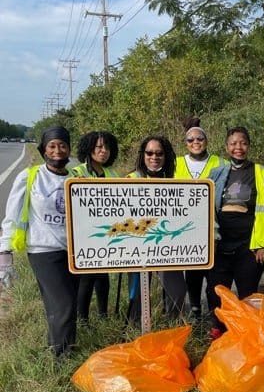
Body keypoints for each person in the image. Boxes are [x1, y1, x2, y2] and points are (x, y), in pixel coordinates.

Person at [0, 126, 78, 359]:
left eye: (62, 145)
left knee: (63, 303)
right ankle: (62, 357)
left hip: (73, 251)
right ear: (44, 149)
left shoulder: (75, 179)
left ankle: (58, 345)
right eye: (52, 146)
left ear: (69, 149)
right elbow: (12, 214)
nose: (57, 150)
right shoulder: (31, 176)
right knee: (63, 302)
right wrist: (4, 249)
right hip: (43, 249)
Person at [206, 126, 264, 340]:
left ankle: (245, 335)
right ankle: (219, 329)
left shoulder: (261, 173)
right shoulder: (217, 174)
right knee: (218, 291)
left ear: (248, 145)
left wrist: (262, 242)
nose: (238, 147)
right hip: (220, 245)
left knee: (248, 294)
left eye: (243, 143)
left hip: (249, 247)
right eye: (233, 143)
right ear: (227, 147)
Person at [126, 135, 187, 322]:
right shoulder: (130, 179)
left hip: (165, 246)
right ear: (143, 155)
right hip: (137, 246)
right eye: (149, 153)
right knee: (136, 295)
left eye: (159, 153)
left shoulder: (174, 182)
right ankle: (136, 330)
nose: (154, 157)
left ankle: (172, 326)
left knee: (177, 290)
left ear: (166, 156)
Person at [174, 117, 226, 319]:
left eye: (200, 138)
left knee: (213, 271)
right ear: (185, 143)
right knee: (193, 270)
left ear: (206, 140)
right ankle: (195, 307)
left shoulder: (220, 162)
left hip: (213, 226)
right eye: (191, 140)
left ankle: (215, 311)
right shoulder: (176, 163)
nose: (195, 142)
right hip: (185, 227)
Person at [71, 131, 119, 321]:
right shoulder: (77, 173)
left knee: (103, 276)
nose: (103, 151)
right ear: (89, 148)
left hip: (106, 234)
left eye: (107, 147)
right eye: (99, 147)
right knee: (86, 278)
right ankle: (82, 319)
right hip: (84, 235)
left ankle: (102, 315)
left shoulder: (113, 174)